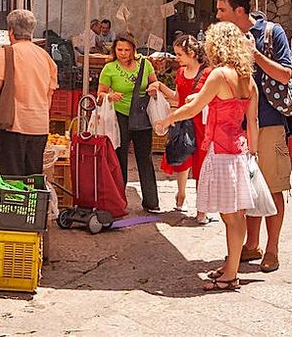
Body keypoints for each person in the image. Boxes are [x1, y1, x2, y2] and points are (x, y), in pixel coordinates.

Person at [154, 21, 260, 292]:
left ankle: (230, 275)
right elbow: (253, 121)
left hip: (222, 152)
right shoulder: (248, 79)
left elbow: (193, 109)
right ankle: (231, 268)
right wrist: (253, 156)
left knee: (230, 216)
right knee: (236, 215)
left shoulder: (219, 75)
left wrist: (166, 120)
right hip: (239, 150)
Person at [215, 0, 292, 273]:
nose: (218, 15)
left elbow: (285, 75)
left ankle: (272, 249)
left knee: (272, 188)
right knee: (245, 190)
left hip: (269, 123)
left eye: (222, 10)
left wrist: (254, 54)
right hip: (235, 127)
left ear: (239, 11)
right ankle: (251, 245)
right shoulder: (224, 39)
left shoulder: (272, 33)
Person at [148, 34, 210, 222]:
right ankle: (181, 194)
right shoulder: (181, 73)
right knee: (181, 157)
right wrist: (159, 86)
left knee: (201, 164)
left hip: (201, 122)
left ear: (191, 53)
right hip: (183, 121)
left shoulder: (207, 73)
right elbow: (177, 96)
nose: (177, 58)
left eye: (179, 54)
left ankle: (202, 208)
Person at [0, 9, 57, 176]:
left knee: (12, 179)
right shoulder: (45, 57)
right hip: (39, 126)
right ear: (31, 31)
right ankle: (33, 203)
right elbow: (49, 95)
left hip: (13, 126)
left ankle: (14, 202)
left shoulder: (7, 53)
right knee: (32, 177)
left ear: (11, 31)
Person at [97, 33, 160, 213]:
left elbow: (155, 83)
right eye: (119, 50)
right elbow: (100, 94)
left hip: (142, 116)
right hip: (120, 117)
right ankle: (118, 202)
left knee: (144, 158)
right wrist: (109, 95)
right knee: (120, 158)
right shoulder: (109, 68)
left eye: (126, 50)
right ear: (114, 50)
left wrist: (152, 88)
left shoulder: (145, 65)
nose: (123, 53)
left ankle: (151, 201)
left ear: (133, 49)